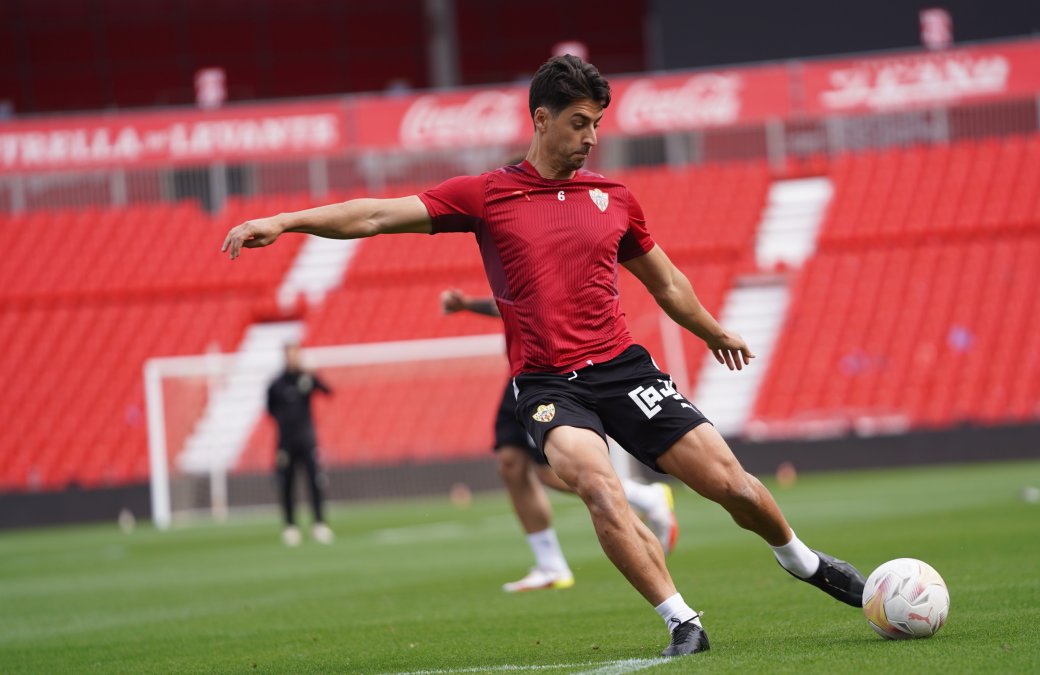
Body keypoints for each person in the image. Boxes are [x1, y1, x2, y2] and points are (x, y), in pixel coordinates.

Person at [224, 54, 864, 658]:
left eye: (597, 124)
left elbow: (665, 283)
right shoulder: (486, 196)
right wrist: (285, 220)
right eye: (579, 122)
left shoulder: (615, 198)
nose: (590, 137)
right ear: (540, 119)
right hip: (549, 384)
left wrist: (713, 331)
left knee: (730, 486)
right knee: (597, 485)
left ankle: (803, 561)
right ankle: (682, 621)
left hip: (625, 369)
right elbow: (373, 216)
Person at [440, 287, 679, 592]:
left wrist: (469, 304)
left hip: (545, 376)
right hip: (517, 374)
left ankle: (645, 497)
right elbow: (509, 305)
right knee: (511, 464)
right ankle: (550, 565)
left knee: (549, 472)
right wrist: (469, 305)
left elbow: (532, 303)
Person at [266, 343, 334, 546]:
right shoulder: (276, 384)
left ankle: (319, 524)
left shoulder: (307, 378)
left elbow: (328, 391)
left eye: (296, 354)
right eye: (290, 354)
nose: (293, 358)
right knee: (287, 484)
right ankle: (290, 526)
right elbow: (270, 410)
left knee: (315, 482)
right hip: (285, 442)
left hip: (307, 440)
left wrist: (314, 374)